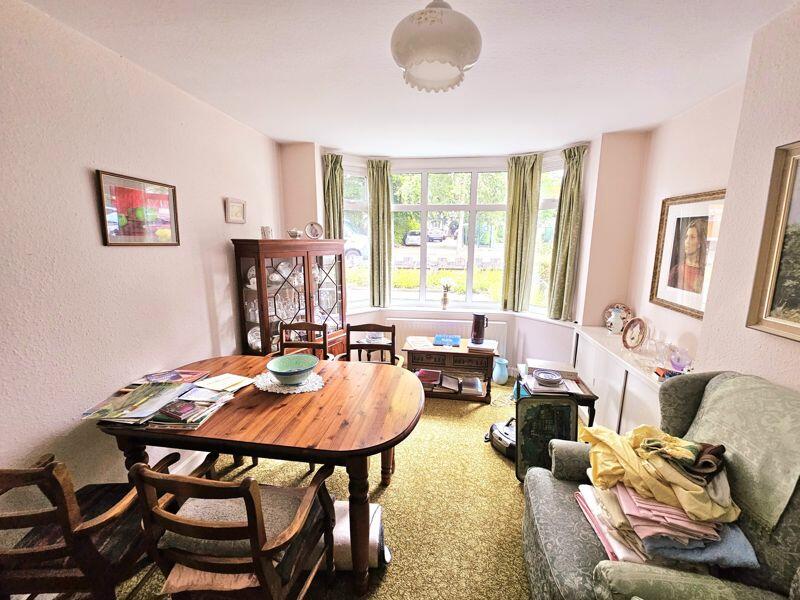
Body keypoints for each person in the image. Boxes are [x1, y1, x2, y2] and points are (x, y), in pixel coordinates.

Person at [668, 219, 707, 293]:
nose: (687, 241)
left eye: (692, 237)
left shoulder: (705, 272)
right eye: (686, 237)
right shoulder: (676, 270)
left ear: (700, 242)